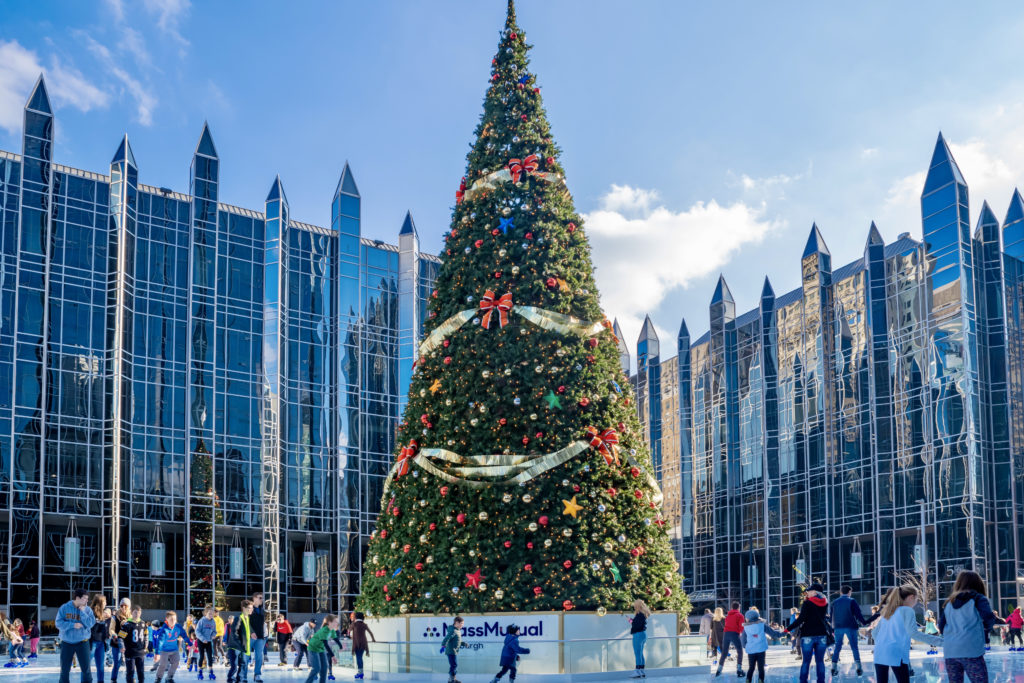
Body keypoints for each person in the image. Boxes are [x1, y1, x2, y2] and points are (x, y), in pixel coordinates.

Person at [940, 570, 1001, 683]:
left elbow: (941, 625)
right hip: (971, 650)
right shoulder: (978, 599)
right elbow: (989, 618)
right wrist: (985, 628)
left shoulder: (949, 602)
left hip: (950, 651)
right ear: (978, 583)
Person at [872, 585, 941, 683]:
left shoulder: (888, 611)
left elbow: (874, 633)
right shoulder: (907, 610)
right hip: (896, 653)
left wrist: (885, 642)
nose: (916, 602)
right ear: (911, 597)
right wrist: (942, 642)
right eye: (917, 599)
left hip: (880, 652)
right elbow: (914, 633)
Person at [787, 582, 830, 683]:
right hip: (821, 634)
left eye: (809, 591)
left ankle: (803, 681)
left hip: (808, 635)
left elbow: (801, 619)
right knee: (820, 662)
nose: (807, 592)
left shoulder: (807, 603)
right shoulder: (825, 602)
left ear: (815, 592)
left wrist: (788, 629)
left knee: (806, 662)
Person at [58, 588, 97, 683]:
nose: (87, 601)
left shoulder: (87, 610)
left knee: (86, 670)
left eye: (87, 599)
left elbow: (91, 624)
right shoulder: (64, 608)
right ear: (77, 598)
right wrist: (73, 625)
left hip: (83, 643)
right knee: (65, 670)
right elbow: (58, 623)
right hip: (67, 643)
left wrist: (82, 612)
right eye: (85, 598)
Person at [831, 585, 868, 676]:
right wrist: (863, 622)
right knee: (854, 647)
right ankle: (858, 667)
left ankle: (833, 667)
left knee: (837, 647)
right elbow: (858, 614)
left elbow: (831, 615)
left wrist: (832, 628)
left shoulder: (834, 602)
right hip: (850, 626)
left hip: (838, 627)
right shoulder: (852, 601)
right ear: (849, 592)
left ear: (841, 592)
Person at [741, 608, 783, 683]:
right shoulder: (762, 625)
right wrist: (784, 633)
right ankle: (761, 680)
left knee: (751, 667)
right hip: (761, 650)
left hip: (751, 651)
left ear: (748, 619)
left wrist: (746, 646)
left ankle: (748, 680)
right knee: (761, 668)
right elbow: (774, 634)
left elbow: (743, 640)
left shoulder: (745, 628)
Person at [153, 610, 191, 683]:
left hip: (174, 649)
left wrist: (190, 644)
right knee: (163, 665)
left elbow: (184, 635)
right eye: (171, 619)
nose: (173, 621)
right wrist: (157, 653)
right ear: (167, 619)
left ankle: (169, 677)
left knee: (176, 662)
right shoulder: (164, 629)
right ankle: (158, 678)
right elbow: (160, 642)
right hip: (164, 650)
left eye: (175, 619)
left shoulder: (177, 626)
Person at [304, 615, 339, 683]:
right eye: (335, 622)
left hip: (321, 649)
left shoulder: (331, 630)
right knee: (316, 668)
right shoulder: (324, 631)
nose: (337, 623)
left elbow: (335, 639)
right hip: (313, 648)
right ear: (329, 622)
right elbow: (326, 644)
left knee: (324, 668)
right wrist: (333, 656)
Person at [118, 604, 148, 683]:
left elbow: (146, 635)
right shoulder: (127, 624)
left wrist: (146, 645)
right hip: (130, 652)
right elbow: (120, 637)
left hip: (140, 652)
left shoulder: (143, 623)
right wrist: (122, 646)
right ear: (131, 612)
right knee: (130, 672)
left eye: (138, 612)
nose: (137, 614)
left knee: (141, 672)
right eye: (135, 612)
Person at [226, 600, 254, 683]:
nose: (251, 610)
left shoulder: (247, 618)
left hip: (243, 647)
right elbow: (234, 633)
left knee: (243, 664)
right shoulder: (238, 618)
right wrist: (240, 644)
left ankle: (240, 680)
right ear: (244, 608)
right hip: (235, 647)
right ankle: (230, 679)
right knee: (234, 666)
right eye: (249, 608)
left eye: (252, 608)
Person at [716, 601, 745, 678]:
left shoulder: (728, 615)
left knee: (724, 652)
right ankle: (739, 669)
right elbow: (741, 627)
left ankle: (719, 669)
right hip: (734, 633)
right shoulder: (740, 615)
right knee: (739, 651)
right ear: (738, 608)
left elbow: (727, 624)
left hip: (726, 634)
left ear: (732, 608)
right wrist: (742, 634)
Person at [90, 596, 113, 683]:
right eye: (104, 602)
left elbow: (104, 630)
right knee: (86, 666)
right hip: (92, 643)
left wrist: (105, 641)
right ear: (100, 603)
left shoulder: (103, 614)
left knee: (100, 666)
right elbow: (90, 628)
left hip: (100, 643)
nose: (106, 603)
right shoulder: (91, 613)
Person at [349, 612, 375, 681]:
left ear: (356, 617)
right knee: (360, 657)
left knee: (358, 658)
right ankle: (361, 672)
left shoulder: (354, 624)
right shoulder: (364, 625)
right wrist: (373, 640)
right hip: (363, 644)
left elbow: (348, 630)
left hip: (356, 644)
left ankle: (360, 673)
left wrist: (350, 636)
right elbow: (371, 633)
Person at [629, 599, 651, 679]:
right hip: (643, 634)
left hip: (638, 635)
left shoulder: (639, 614)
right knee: (640, 653)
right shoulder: (644, 614)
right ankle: (642, 671)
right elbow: (639, 624)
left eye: (635, 605)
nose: (634, 606)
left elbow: (636, 625)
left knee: (637, 653)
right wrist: (632, 621)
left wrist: (630, 621)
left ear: (637, 606)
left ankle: (637, 671)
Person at [112, 598, 132, 683]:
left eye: (126, 606)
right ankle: (113, 679)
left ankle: (130, 678)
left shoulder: (131, 617)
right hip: (116, 643)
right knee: (117, 663)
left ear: (129, 606)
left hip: (128, 644)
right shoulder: (115, 617)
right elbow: (111, 629)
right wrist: (114, 635)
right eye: (121, 605)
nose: (123, 607)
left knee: (130, 663)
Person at [195, 606, 218, 680]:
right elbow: (197, 631)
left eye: (212, 614)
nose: (211, 615)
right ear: (205, 613)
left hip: (208, 641)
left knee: (210, 657)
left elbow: (214, 631)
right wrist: (202, 639)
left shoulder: (213, 621)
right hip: (201, 641)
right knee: (201, 656)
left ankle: (211, 671)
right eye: (209, 614)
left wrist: (213, 635)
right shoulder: (202, 621)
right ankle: (199, 671)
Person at [440, 616, 464, 683]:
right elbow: (447, 639)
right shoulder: (453, 631)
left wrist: (464, 644)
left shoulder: (457, 631)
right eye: (461, 623)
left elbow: (457, 641)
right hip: (451, 651)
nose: (462, 625)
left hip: (454, 651)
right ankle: (451, 679)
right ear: (456, 622)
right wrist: (443, 646)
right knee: (454, 665)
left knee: (454, 665)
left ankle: (453, 679)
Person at [249, 593, 266, 683]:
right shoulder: (249, 608)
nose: (261, 600)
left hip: (259, 636)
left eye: (262, 598)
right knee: (246, 656)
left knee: (259, 656)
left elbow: (262, 624)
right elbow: (246, 622)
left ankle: (257, 674)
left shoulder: (262, 610)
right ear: (254, 598)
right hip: (250, 636)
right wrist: (251, 632)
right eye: (260, 598)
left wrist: (263, 635)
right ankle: (242, 674)